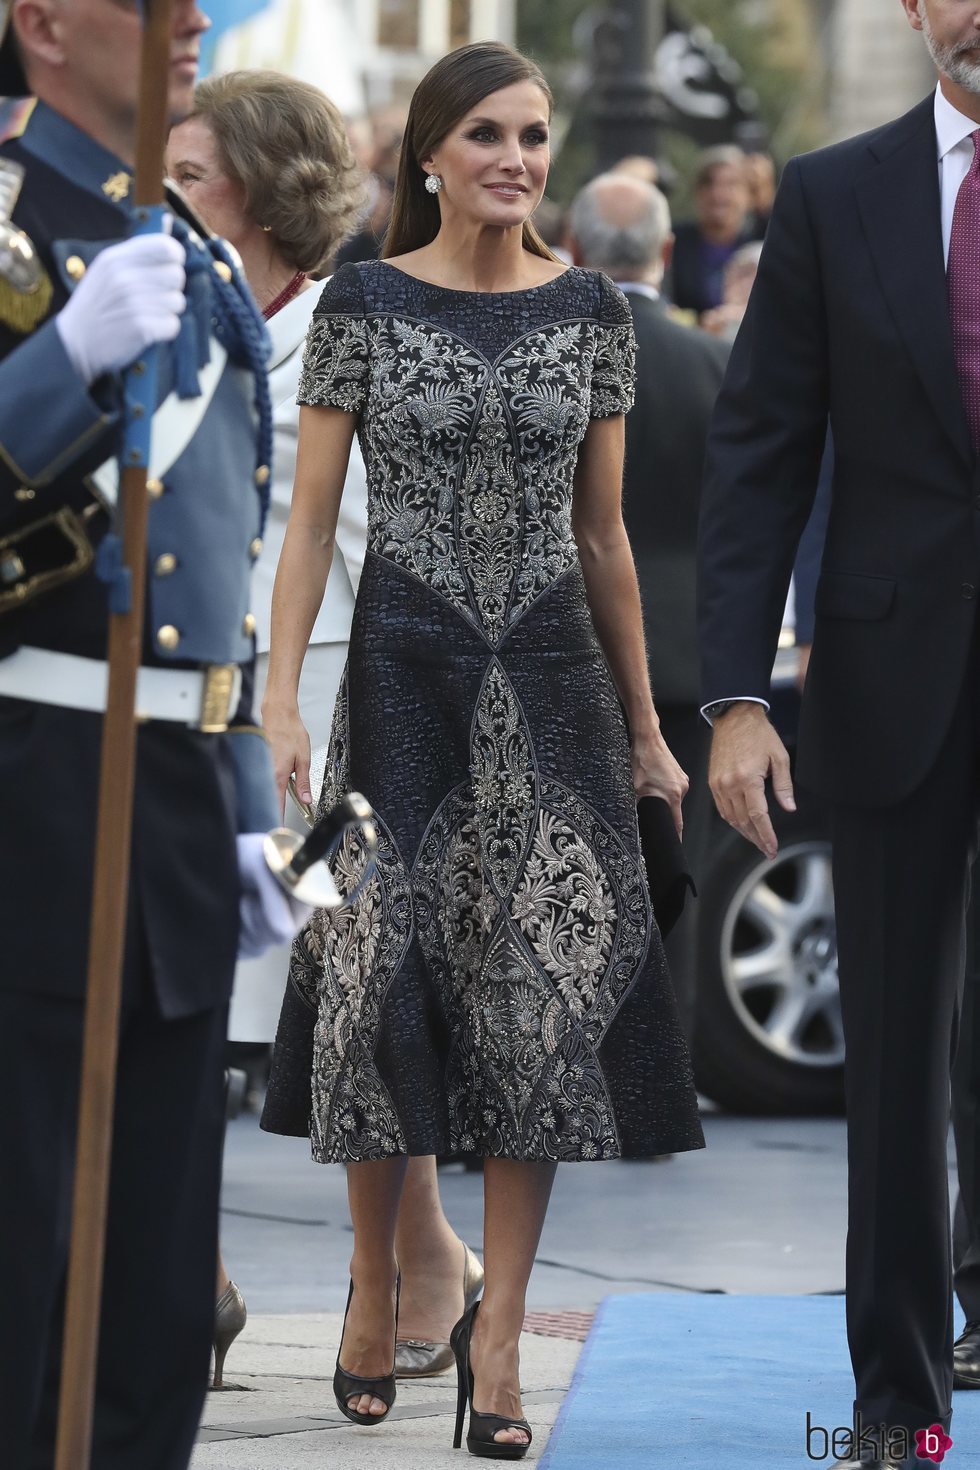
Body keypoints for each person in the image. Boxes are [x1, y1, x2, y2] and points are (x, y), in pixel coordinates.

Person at [260, 38, 703, 1458]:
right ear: (432, 156)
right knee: (364, 988)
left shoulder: (594, 312)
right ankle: (373, 1281)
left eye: (534, 134)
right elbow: (317, 518)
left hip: (557, 696)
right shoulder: (364, 301)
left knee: (541, 1015)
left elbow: (606, 535)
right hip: (387, 690)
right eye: (490, 135)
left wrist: (645, 729)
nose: (517, 157)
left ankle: (498, 1335)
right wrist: (279, 699)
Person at [0, 2, 304, 1466]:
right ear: (43, 23)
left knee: (160, 1265)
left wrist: (245, 791)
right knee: (28, 1252)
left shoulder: (184, 252)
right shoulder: (13, 223)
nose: (188, 20)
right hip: (37, 789)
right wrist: (55, 361)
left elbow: (224, 552)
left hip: (173, 798)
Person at [166, 68, 484, 1386]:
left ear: (263, 189)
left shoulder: (355, 339)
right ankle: (199, 1279)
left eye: (189, 176)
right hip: (193, 741)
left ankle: (421, 1265)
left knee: (350, 1018)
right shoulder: (167, 315)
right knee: (183, 1014)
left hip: (338, 757)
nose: (162, 197)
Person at [698, 2, 980, 1465]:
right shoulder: (835, 191)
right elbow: (761, 446)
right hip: (889, 678)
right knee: (891, 1061)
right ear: (920, 10)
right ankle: (898, 1409)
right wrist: (736, 694)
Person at [566, 171, 729, 1038]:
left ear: (575, 248)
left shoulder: (560, 355)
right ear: (668, 252)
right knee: (678, 861)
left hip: (574, 640)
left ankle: (568, 1065)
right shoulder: (716, 362)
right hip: (691, 650)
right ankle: (662, 1080)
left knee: (565, 865)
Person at [668, 144, 754, 319]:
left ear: (748, 195)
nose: (718, 194)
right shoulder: (674, 241)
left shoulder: (760, 243)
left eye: (731, 184)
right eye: (709, 183)